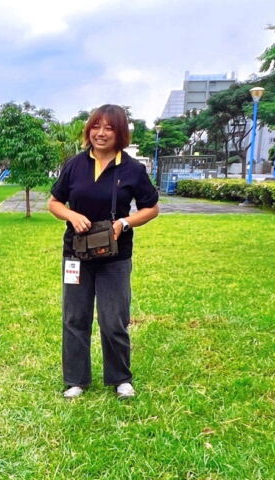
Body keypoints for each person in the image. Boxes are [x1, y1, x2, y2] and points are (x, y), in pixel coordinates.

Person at [48, 105, 159, 400]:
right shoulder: (75, 164)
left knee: (114, 319)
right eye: (96, 126)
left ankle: (120, 378)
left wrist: (124, 222)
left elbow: (152, 208)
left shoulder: (133, 169)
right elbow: (54, 202)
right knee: (75, 317)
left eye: (109, 128)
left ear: (120, 133)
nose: (101, 133)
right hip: (76, 253)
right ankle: (76, 380)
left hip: (115, 256)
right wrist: (71, 216)